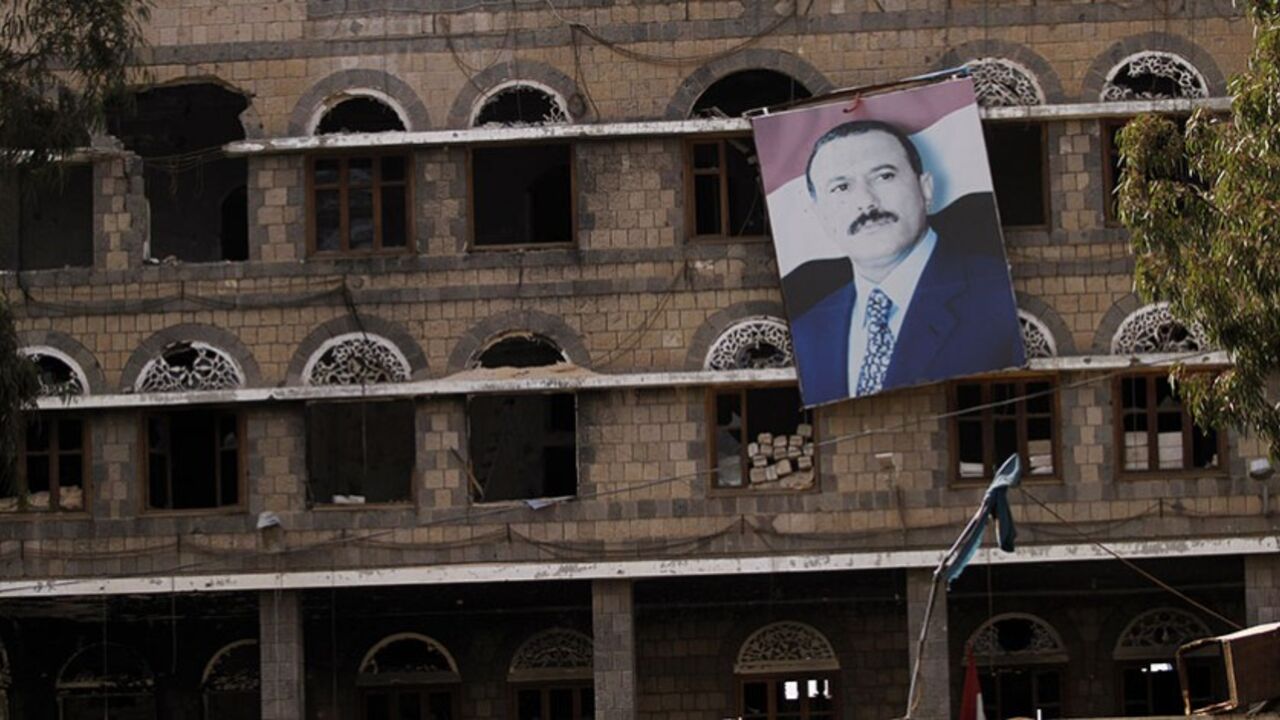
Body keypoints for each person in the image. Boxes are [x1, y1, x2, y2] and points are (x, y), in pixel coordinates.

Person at [781, 119, 1024, 406]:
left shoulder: (1002, 297)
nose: (866, 202)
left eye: (884, 176)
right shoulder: (806, 333)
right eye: (841, 187)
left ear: (926, 189)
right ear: (820, 215)